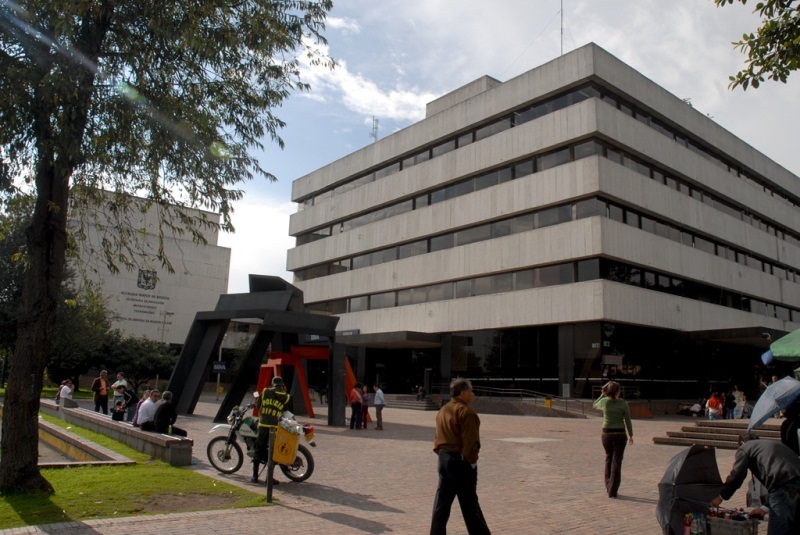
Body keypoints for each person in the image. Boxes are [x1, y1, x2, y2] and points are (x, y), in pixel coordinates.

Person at [430, 377, 491, 535]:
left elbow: (438, 437)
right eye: (471, 391)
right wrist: (471, 462)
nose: (473, 394)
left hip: (444, 459)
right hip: (460, 462)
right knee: (470, 505)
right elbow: (471, 443)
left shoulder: (444, 409)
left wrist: (443, 455)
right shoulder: (466, 412)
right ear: (463, 393)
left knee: (441, 505)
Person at [711, 433, 800, 534]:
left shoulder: (745, 447)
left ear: (742, 443)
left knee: (777, 531)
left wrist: (721, 496)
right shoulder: (770, 444)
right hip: (790, 485)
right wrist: (764, 508)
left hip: (784, 487)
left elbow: (737, 475)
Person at [593, 380, 634, 499]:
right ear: (618, 391)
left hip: (606, 434)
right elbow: (628, 420)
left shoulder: (604, 402)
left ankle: (608, 486)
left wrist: (602, 395)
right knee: (617, 461)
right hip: (620, 434)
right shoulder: (623, 403)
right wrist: (631, 435)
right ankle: (613, 489)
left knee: (608, 458)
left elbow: (594, 404)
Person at [252, 376, 291, 485]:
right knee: (273, 451)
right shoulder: (285, 396)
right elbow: (285, 411)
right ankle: (269, 477)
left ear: (272, 383)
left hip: (263, 424)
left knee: (258, 449)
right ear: (282, 384)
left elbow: (258, 406)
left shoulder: (265, 391)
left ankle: (254, 476)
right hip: (275, 427)